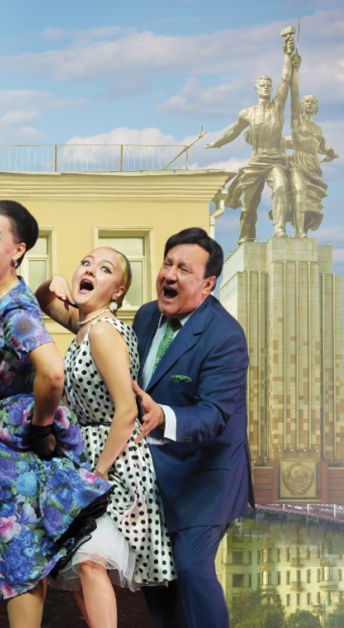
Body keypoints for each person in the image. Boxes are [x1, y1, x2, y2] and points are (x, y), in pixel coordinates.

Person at [0, 200, 109, 628]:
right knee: (17, 558)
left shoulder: (15, 311)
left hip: (17, 451)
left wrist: (40, 428)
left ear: (18, 250)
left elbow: (52, 372)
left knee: (22, 559)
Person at [36, 247, 175, 627]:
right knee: (80, 565)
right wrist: (52, 282)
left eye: (104, 268)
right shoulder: (85, 324)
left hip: (113, 460)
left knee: (90, 561)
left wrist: (98, 474)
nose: (90, 269)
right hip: (87, 454)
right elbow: (43, 301)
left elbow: (126, 410)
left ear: (118, 291)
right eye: (86, 263)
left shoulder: (103, 332)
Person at [132, 227, 252, 628]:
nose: (170, 274)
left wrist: (164, 417)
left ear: (208, 283)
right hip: (153, 474)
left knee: (191, 566)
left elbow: (214, 414)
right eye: (168, 263)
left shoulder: (225, 337)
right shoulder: (146, 316)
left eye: (184, 269)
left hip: (207, 477)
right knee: (157, 571)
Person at [207, 38, 294, 242]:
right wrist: (217, 143)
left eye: (268, 85)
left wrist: (287, 56)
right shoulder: (247, 113)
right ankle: (247, 238)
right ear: (256, 88)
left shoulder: (277, 108)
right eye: (262, 85)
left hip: (275, 160)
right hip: (256, 162)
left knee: (281, 187)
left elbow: (285, 80)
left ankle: (280, 229)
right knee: (248, 206)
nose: (266, 88)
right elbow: (233, 131)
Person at [286, 51, 338, 237]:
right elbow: (294, 93)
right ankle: (299, 230)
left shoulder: (318, 129)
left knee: (311, 201)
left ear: (316, 107)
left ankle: (305, 228)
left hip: (313, 166)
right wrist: (295, 69)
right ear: (301, 105)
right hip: (297, 163)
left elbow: (321, 147)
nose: (308, 104)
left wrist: (330, 152)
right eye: (306, 101)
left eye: (312, 102)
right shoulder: (296, 122)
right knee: (298, 192)